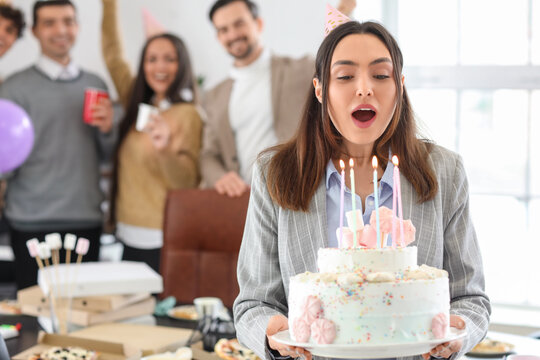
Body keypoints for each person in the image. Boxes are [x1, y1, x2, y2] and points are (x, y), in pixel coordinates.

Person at [233, 20, 490, 360]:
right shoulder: (275, 173)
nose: (365, 89)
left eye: (381, 76)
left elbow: (472, 299)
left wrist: (460, 331)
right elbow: (253, 304)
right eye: (345, 76)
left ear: (400, 86)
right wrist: (275, 332)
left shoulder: (446, 172)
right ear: (320, 89)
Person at [0, 0, 115, 289]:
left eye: (68, 21)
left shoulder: (96, 84)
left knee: (83, 316)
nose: (60, 30)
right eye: (49, 23)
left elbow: (109, 157)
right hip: (29, 220)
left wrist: (108, 130)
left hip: (84, 218)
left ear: (77, 26)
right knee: (32, 315)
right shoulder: (12, 88)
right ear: (36, 31)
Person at [102, 0, 202, 272]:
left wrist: (165, 149)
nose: (160, 67)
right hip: (125, 233)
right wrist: (109, 6)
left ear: (182, 65)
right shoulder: (136, 104)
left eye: (170, 59)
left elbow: (187, 183)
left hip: (163, 239)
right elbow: (113, 56)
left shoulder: (188, 115)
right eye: (152, 59)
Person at [201, 0, 314, 197]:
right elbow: (208, 154)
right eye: (223, 30)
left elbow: (337, 62)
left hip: (295, 195)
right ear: (218, 37)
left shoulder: (302, 70)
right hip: (244, 203)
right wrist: (220, 176)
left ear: (258, 24)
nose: (233, 34)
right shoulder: (214, 96)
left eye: (239, 24)